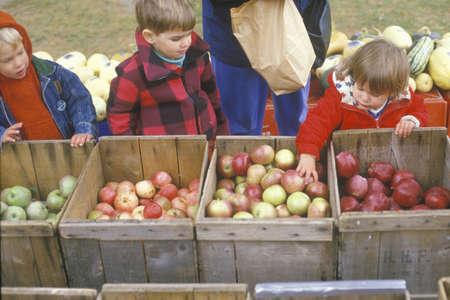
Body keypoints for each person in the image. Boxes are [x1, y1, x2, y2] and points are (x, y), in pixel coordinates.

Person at [296, 39, 429, 182]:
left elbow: (421, 111)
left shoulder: (402, 99)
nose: (364, 98)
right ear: (354, 76)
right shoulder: (341, 98)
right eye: (360, 88)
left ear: (392, 92)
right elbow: (317, 123)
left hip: (387, 168)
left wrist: (411, 119)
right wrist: (307, 153)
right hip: (345, 169)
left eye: (374, 94)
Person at [107, 0, 230, 141]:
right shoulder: (132, 75)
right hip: (164, 154)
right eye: (176, 39)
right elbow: (120, 118)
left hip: (206, 142)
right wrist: (133, 152)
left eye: (189, 34)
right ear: (150, 36)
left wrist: (222, 132)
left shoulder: (198, 55)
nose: (186, 42)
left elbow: (213, 94)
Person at [202, 0, 312, 136]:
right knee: (241, 131)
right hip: (232, 32)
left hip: (290, 25)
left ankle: (299, 152)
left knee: (296, 123)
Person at [0, 11, 97, 150]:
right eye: (8, 60)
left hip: (68, 151)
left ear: (25, 45)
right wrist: (2, 135)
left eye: (21, 52)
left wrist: (83, 129)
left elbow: (80, 99)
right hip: (25, 162)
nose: (18, 63)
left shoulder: (51, 73)